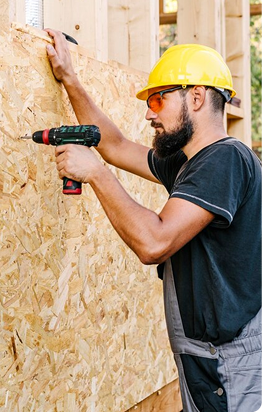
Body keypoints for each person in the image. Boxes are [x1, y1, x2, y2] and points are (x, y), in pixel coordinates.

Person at [44, 28, 262, 412]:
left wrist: (95, 174)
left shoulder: (224, 159)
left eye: (158, 100)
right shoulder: (190, 162)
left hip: (229, 360)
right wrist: (70, 79)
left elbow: (154, 243)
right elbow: (115, 146)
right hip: (207, 355)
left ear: (196, 97)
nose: (149, 112)